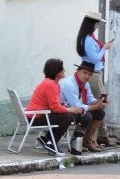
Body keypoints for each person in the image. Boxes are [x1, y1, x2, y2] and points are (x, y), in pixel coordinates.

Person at [26, 58, 84, 156]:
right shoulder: (50, 84)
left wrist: (63, 105)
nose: (64, 70)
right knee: (67, 116)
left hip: (40, 114)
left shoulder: (54, 84)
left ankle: (47, 138)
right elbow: (55, 108)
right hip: (35, 118)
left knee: (67, 115)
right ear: (56, 71)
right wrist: (72, 109)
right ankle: (52, 143)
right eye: (62, 68)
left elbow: (55, 103)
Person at [76, 10, 114, 146]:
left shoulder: (88, 38)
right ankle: (90, 139)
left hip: (95, 73)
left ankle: (102, 136)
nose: (98, 26)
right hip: (92, 73)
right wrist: (104, 48)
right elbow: (94, 58)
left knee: (101, 104)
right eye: (97, 24)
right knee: (98, 105)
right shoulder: (88, 39)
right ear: (93, 24)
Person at [59, 60, 108, 151]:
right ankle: (75, 143)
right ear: (78, 71)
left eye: (90, 74)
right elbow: (77, 106)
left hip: (74, 109)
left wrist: (99, 101)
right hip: (64, 110)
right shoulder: (69, 84)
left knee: (100, 113)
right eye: (84, 73)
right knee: (87, 115)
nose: (87, 76)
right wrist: (96, 106)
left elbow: (90, 99)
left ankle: (87, 141)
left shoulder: (85, 85)